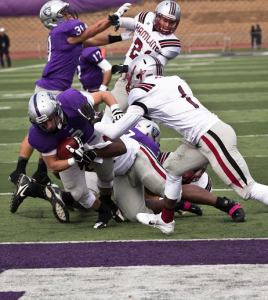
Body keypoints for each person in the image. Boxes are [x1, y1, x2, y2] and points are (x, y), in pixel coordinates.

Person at [94, 53, 268, 234]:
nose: (129, 81)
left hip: (211, 136)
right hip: (201, 137)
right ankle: (166, 221)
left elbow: (114, 131)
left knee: (247, 189)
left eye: (131, 76)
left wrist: (96, 122)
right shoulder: (175, 80)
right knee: (172, 170)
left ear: (140, 74)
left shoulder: (141, 92)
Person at [8, 0, 131, 186]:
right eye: (63, 12)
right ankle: (21, 170)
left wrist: (121, 37)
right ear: (54, 19)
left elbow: (93, 40)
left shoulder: (64, 35)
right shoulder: (63, 30)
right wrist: (112, 19)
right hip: (51, 87)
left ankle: (38, 171)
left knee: (52, 128)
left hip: (55, 85)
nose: (68, 14)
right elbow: (93, 30)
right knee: (42, 129)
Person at [10, 88, 127, 228]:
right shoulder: (38, 136)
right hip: (69, 155)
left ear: (58, 110)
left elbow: (103, 95)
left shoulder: (71, 100)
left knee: (107, 173)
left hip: (91, 137)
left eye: (50, 119)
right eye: (42, 124)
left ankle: (106, 199)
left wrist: (115, 109)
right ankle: (104, 211)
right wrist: (74, 160)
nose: (48, 126)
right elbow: (52, 166)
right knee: (78, 194)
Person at [105, 0, 181, 117]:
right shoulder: (146, 17)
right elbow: (134, 23)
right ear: (157, 16)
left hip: (147, 86)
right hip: (126, 81)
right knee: (109, 116)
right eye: (165, 20)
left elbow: (155, 67)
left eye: (171, 22)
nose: (167, 25)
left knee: (145, 126)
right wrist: (119, 22)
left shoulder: (171, 43)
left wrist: (127, 67)